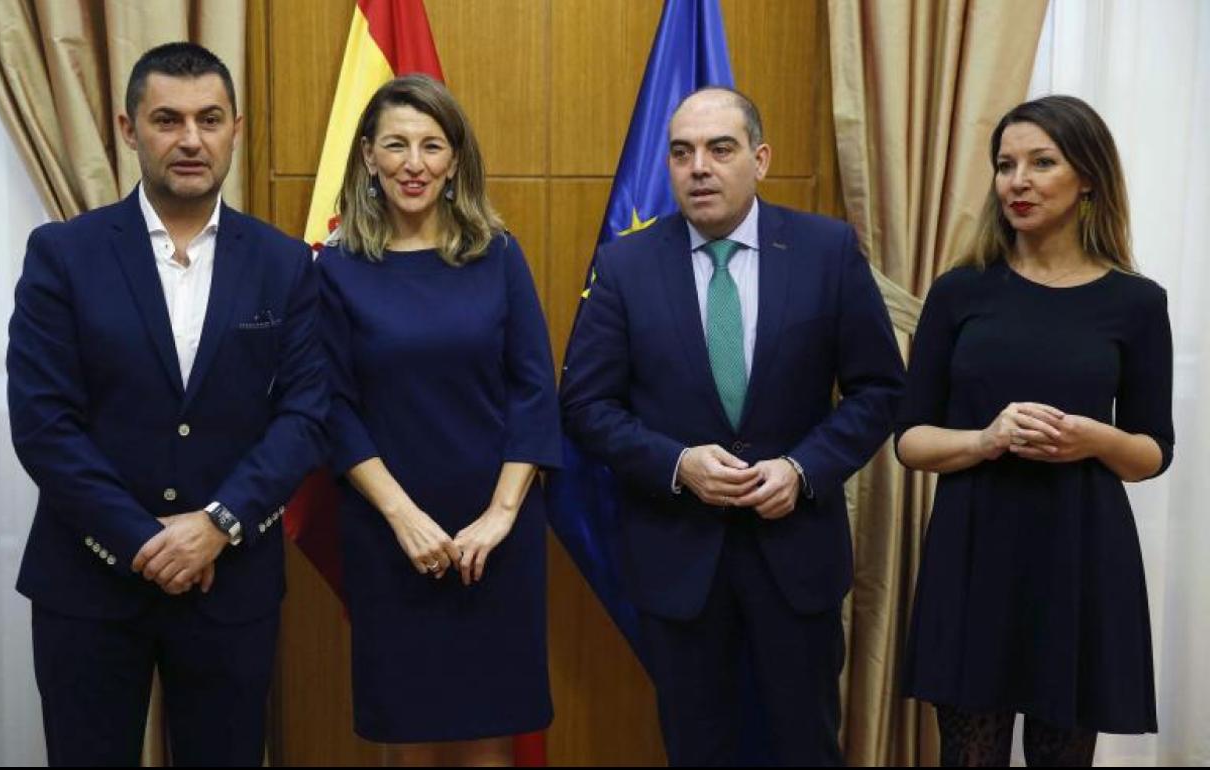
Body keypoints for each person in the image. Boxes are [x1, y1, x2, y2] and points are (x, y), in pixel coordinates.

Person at [559, 86, 905, 766]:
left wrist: (805, 469)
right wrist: (675, 463)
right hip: (679, 558)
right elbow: (585, 406)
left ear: (761, 158)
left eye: (720, 149)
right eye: (682, 153)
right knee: (699, 747)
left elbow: (879, 388)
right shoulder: (626, 265)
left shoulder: (825, 250)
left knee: (804, 745)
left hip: (795, 554)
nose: (699, 168)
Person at [6, 42, 328, 765]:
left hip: (231, 583)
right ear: (128, 129)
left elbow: (306, 414)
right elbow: (43, 423)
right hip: (86, 584)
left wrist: (215, 526)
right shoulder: (62, 254)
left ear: (235, 130)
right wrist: (147, 543)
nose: (190, 139)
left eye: (209, 119)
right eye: (167, 120)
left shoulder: (283, 263)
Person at [896, 95, 1173, 767]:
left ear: (1088, 179)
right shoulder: (959, 292)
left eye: (1040, 163)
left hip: (1081, 551)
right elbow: (910, 441)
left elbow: (1150, 452)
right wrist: (985, 439)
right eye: (1005, 164)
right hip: (974, 547)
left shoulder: (1137, 303)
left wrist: (1093, 439)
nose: (1017, 181)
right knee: (970, 753)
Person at [316, 74, 561, 767]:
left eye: (431, 145)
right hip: (389, 529)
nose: (413, 163)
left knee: (492, 730)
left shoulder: (499, 255)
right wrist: (402, 517)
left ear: (455, 159)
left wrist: (502, 515)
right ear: (368, 156)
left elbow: (535, 392)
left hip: (497, 532)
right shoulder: (334, 268)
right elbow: (331, 406)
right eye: (395, 144)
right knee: (408, 731)